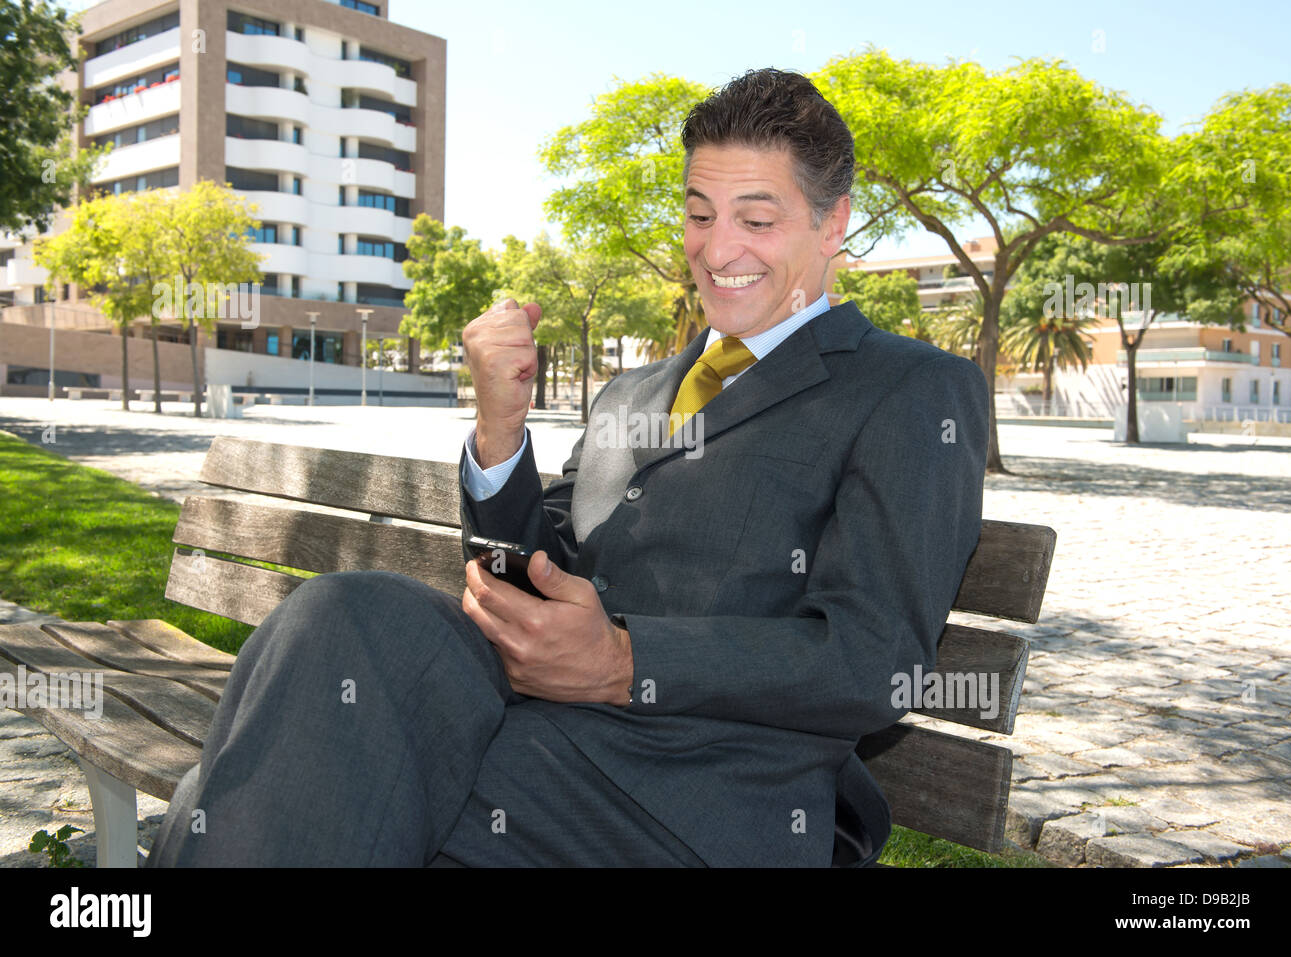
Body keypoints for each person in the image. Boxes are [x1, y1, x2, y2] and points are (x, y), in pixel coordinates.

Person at [147, 66, 987, 868]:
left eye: (756, 219)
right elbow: (531, 571)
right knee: (342, 614)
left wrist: (626, 660)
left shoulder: (912, 389)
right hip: (533, 733)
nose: (717, 246)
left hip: (700, 803)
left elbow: (874, 660)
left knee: (257, 791)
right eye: (700, 213)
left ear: (832, 223)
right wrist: (501, 432)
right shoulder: (635, 390)